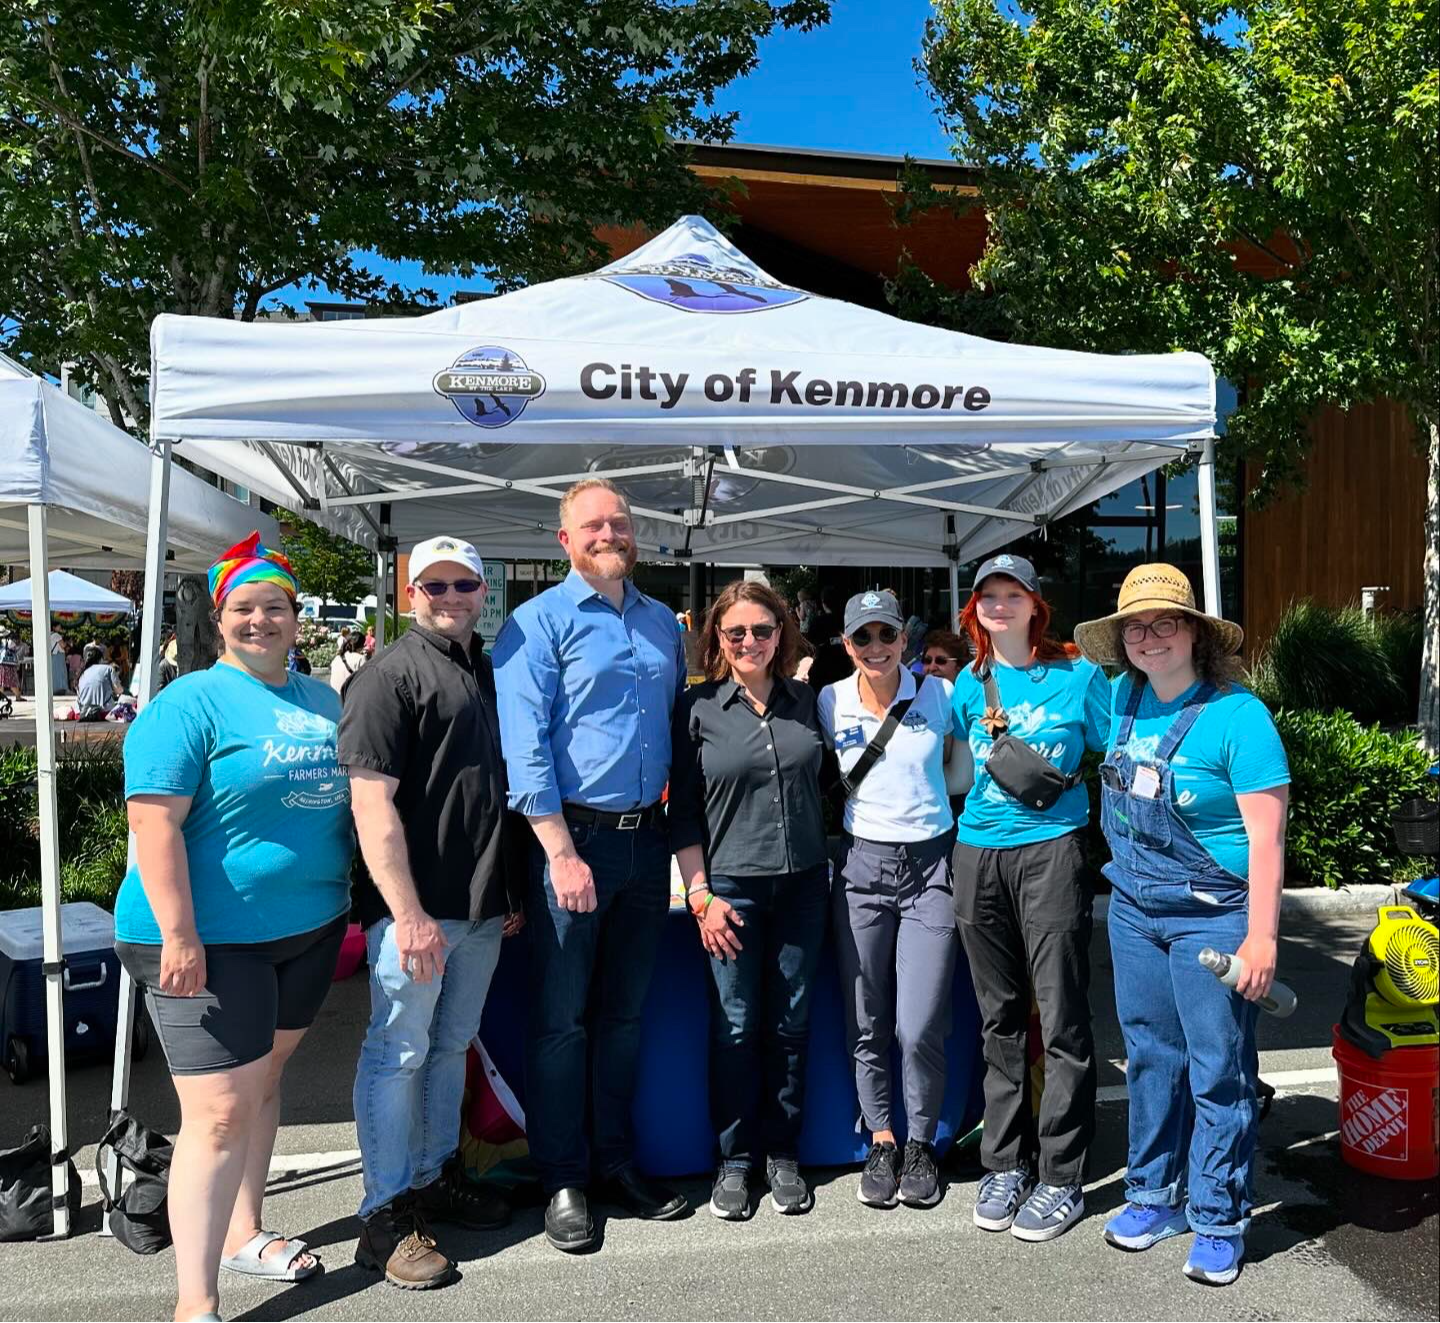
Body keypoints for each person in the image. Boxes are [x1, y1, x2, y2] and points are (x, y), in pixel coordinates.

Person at [112, 532, 353, 1322]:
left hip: (309, 928)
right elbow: (153, 824)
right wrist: (181, 934)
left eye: (274, 606)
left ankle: (245, 1232)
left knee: (263, 1083)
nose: (260, 620)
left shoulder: (323, 701)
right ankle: (196, 1302)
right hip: (205, 938)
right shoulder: (190, 703)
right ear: (219, 619)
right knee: (217, 1113)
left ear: (296, 616)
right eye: (243, 607)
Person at [1074, 564, 1288, 1286]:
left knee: (1217, 1067)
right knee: (1150, 1056)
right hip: (1134, 909)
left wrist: (1261, 937)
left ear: (1196, 632)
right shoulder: (1122, 697)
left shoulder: (1239, 718)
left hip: (1213, 914)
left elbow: (1267, 840)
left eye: (1165, 622)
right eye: (1136, 626)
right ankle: (1153, 1195)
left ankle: (1219, 1215)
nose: (1150, 637)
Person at [493, 478, 689, 1253]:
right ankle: (563, 1177)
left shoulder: (662, 623)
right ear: (565, 540)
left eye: (620, 522)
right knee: (561, 1022)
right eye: (594, 524)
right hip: (573, 842)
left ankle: (614, 1161)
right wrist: (561, 851)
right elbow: (525, 747)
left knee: (623, 1018)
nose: (610, 533)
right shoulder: (535, 623)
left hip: (647, 841)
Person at [339, 536, 523, 1290]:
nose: (450, 597)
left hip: (480, 909)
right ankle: (383, 1214)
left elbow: (491, 791)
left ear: (483, 591)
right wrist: (407, 913)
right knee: (398, 1054)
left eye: (464, 584)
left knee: (449, 1047)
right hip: (418, 913)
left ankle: (432, 1175)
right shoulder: (387, 676)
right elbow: (370, 806)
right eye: (434, 585)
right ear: (409, 592)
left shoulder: (488, 669)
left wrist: (506, 892)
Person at [950, 553, 1110, 1243]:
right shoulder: (968, 682)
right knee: (1000, 1019)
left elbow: (1116, 748)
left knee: (1064, 1015)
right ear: (975, 609)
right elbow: (957, 769)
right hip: (977, 852)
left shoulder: (1080, 676)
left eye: (1012, 594)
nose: (999, 605)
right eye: (988, 595)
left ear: (1036, 605)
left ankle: (1061, 1174)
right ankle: (1005, 1164)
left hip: (1052, 851)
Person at [669, 580, 830, 1221]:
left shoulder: (807, 701)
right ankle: (735, 1160)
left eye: (762, 630)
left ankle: (782, 1154)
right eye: (735, 632)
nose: (749, 642)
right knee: (735, 1027)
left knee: (791, 1025)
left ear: (780, 635)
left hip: (803, 886)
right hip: (730, 889)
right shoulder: (698, 708)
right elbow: (682, 813)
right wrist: (700, 895)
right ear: (718, 638)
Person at [818, 589, 960, 1211]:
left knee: (919, 1021)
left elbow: (963, 768)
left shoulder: (941, 694)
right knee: (865, 1014)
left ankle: (921, 1142)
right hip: (861, 867)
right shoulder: (829, 700)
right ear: (847, 644)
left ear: (905, 639)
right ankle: (881, 1138)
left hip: (931, 868)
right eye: (863, 637)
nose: (876, 647)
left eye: (886, 634)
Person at [74, 642, 120, 720]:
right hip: (104, 712)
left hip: (83, 712)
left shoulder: (82, 672)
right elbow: (119, 690)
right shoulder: (108, 668)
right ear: (100, 659)